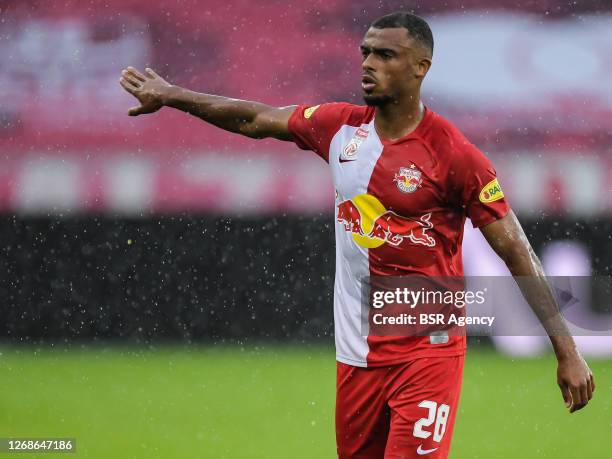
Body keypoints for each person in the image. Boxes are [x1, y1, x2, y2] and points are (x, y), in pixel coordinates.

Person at [119, 11, 595, 459]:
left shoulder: (454, 155)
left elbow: (516, 251)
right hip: (357, 353)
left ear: (420, 68)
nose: (368, 64)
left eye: (385, 55)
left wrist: (567, 352)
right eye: (366, 52)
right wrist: (173, 95)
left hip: (429, 351)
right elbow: (255, 119)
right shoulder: (339, 128)